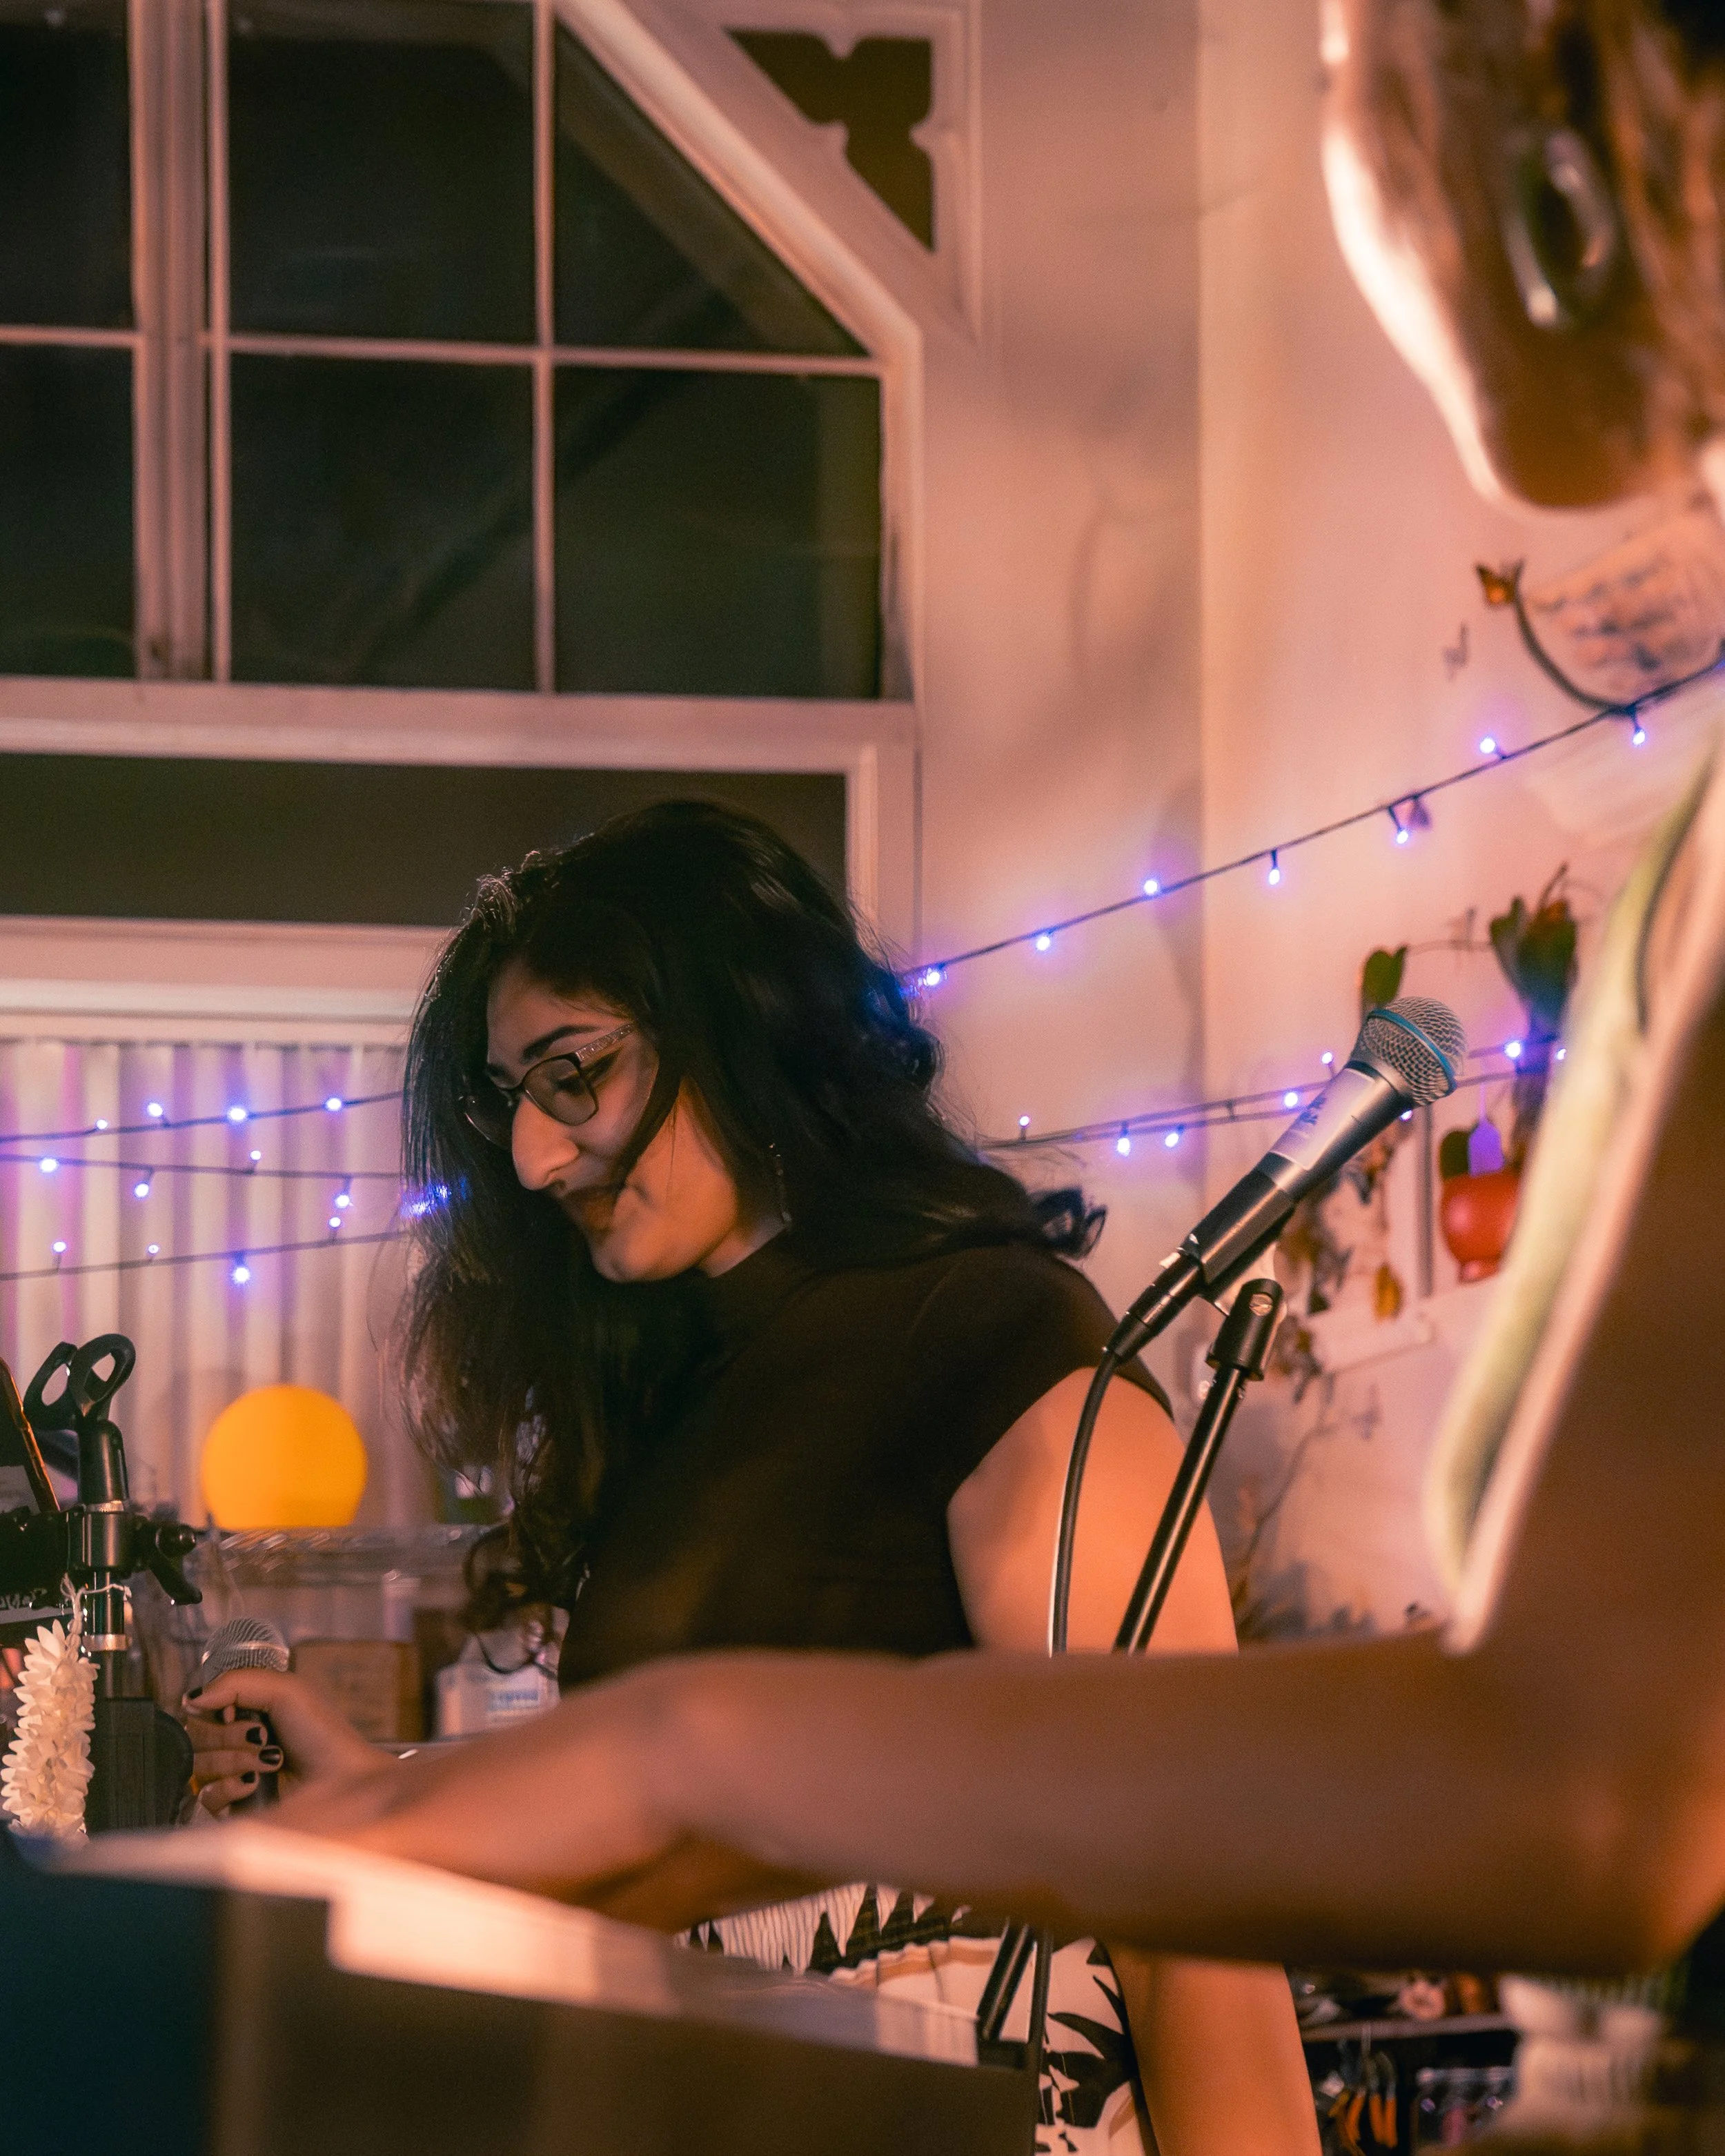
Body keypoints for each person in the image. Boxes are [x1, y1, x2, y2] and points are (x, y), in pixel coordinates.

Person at [221, 0, 1725, 2037]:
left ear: (1560, 73)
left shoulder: (972, 1332)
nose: (538, 1152)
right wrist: (462, 1796)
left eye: (1336, 52)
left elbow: (1573, 1787)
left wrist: (686, 1748)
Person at [186, 802, 1317, 2155]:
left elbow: (1193, 1908)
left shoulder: (991, 1337)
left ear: (738, 1024)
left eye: (573, 1072)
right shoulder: (667, 1410)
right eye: (510, 1102)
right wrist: (387, 1792)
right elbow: (676, 1842)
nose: (537, 1158)